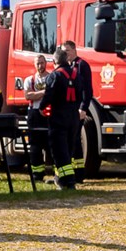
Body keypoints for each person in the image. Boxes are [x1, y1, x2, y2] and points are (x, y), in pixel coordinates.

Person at [39, 46, 80, 190]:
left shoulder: (54, 76)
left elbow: (48, 96)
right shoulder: (76, 74)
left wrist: (41, 108)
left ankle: (66, 182)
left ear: (54, 61)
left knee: (59, 150)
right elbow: (81, 94)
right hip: (74, 117)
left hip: (58, 118)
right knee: (69, 149)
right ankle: (60, 178)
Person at [61, 40, 94, 183]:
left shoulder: (82, 65)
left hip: (78, 108)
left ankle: (79, 174)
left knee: (75, 140)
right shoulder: (65, 67)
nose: (65, 53)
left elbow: (88, 90)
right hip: (67, 109)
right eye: (63, 51)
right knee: (69, 140)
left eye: (67, 50)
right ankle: (70, 173)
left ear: (74, 50)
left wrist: (83, 108)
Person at [22, 54, 50, 183]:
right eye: (38, 63)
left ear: (46, 63)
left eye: (42, 63)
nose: (40, 65)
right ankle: (37, 174)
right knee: (35, 147)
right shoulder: (29, 80)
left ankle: (56, 173)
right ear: (34, 65)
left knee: (51, 145)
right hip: (34, 114)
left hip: (49, 114)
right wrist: (44, 93)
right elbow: (28, 96)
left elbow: (52, 95)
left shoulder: (51, 77)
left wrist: (36, 95)